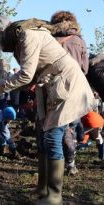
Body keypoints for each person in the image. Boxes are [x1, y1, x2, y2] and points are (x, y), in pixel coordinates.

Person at [0, 15, 94, 205]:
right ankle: (43, 188)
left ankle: (54, 195)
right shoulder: (19, 39)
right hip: (51, 87)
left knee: (52, 137)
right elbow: (31, 76)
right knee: (42, 133)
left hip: (66, 86)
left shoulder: (27, 35)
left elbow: (25, 75)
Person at [50, 10, 90, 175]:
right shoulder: (80, 41)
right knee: (70, 127)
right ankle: (70, 164)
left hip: (55, 89)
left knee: (54, 128)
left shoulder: (52, 40)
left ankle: (56, 163)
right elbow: (85, 69)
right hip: (76, 89)